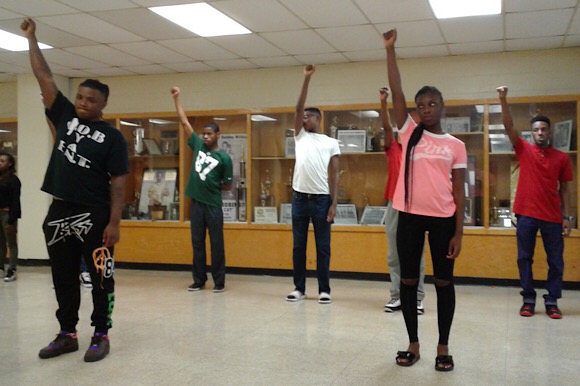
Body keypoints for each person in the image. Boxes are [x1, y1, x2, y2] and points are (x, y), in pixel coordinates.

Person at [21, 18, 129, 363]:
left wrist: (115, 222)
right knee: (63, 278)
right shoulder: (65, 114)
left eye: (91, 99)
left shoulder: (112, 138)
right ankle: (67, 333)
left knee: (100, 277)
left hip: (94, 213)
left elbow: (119, 182)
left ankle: (101, 334)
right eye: (81, 96)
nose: (83, 102)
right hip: (59, 211)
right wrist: (32, 39)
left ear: (103, 105)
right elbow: (45, 77)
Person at [384, 29, 466, 371]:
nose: (426, 109)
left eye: (432, 104)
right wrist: (390, 50)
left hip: (443, 219)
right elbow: (397, 91)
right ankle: (413, 344)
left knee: (443, 282)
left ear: (442, 105)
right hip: (409, 217)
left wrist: (459, 232)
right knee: (408, 281)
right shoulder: (409, 132)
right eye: (421, 106)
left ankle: (442, 346)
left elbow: (459, 192)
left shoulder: (455, 145)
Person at [497, 86, 573, 319]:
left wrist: (567, 218)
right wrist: (503, 99)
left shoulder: (561, 158)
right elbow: (509, 127)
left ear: (549, 132)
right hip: (526, 215)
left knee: (555, 261)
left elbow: (567, 190)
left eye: (543, 129)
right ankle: (528, 299)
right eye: (536, 130)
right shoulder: (524, 149)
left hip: (552, 217)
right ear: (532, 134)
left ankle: (552, 301)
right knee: (524, 258)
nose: (540, 133)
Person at [286, 65, 340, 304]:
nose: (303, 119)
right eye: (303, 117)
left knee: (323, 247)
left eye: (308, 116)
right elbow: (298, 107)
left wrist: (334, 203)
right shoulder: (300, 136)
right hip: (299, 199)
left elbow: (336, 173)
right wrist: (306, 79)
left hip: (321, 200)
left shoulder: (331, 142)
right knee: (298, 247)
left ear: (317, 119)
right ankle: (299, 288)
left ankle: (324, 289)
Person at [171, 86, 233, 293]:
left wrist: (210, 186)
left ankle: (219, 281)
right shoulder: (197, 145)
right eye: (203, 134)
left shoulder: (224, 157)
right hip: (196, 205)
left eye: (209, 134)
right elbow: (184, 122)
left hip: (213, 206)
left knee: (217, 244)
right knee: (197, 243)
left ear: (217, 135)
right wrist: (177, 99)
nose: (205, 137)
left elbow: (227, 184)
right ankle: (198, 280)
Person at [379, 88, 426, 314]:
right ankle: (396, 296)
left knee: (416, 254)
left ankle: (417, 299)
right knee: (394, 255)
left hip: (417, 206)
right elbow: (387, 127)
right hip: (394, 206)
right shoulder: (393, 149)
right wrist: (383, 102)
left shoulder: (421, 150)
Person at [0, 152, 21, 282]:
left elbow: (15, 201)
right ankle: (0, 266)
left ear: (10, 164)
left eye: (2, 161)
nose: (0, 163)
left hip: (7, 214)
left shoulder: (13, 180)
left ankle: (12, 269)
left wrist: (12, 220)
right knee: (0, 243)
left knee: (11, 243)